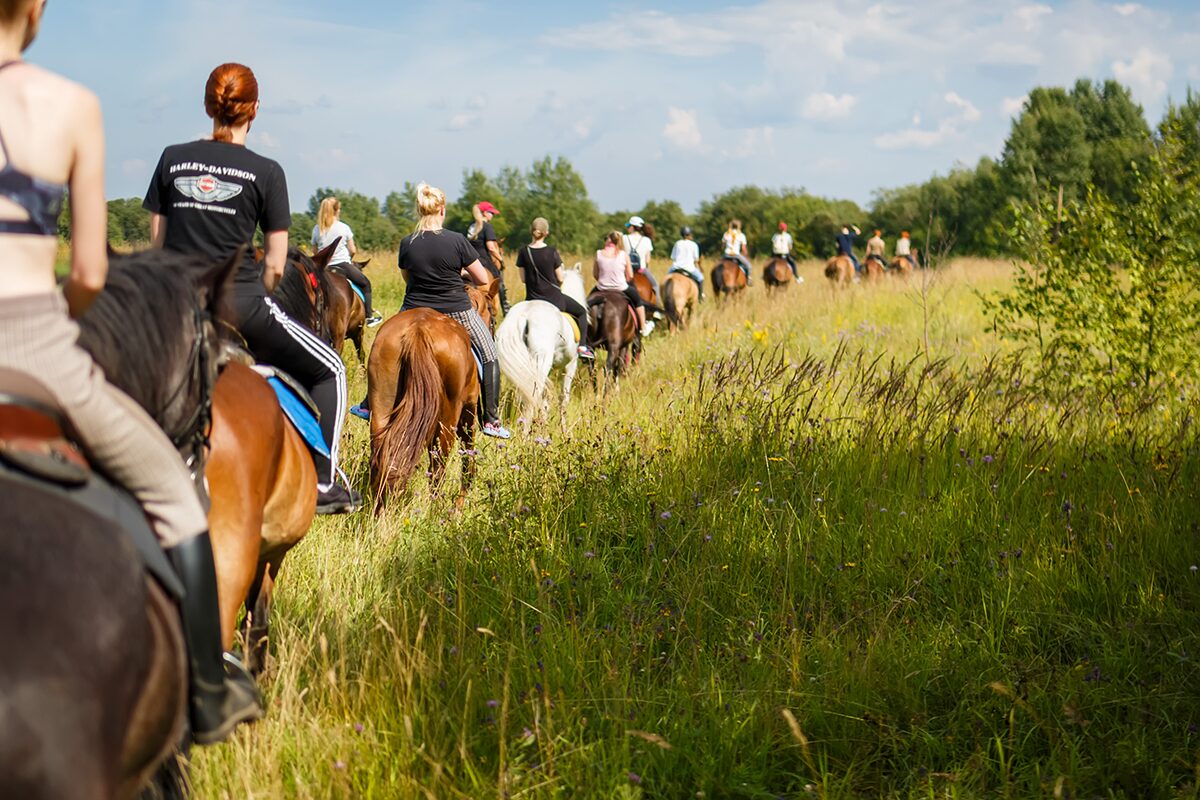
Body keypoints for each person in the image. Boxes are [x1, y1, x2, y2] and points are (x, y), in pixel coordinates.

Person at [0, 4, 259, 744]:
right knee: (174, 497)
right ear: (35, 8)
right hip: (36, 343)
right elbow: (88, 270)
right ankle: (207, 694)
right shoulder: (72, 105)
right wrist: (62, 315)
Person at [144, 63, 360, 517]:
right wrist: (259, 297)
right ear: (254, 111)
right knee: (333, 370)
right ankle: (323, 481)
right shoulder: (266, 171)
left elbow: (158, 246)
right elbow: (277, 264)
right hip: (241, 306)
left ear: (209, 106)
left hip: (177, 308)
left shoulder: (169, 158)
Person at [400, 183, 511, 438]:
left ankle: (368, 403)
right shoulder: (457, 240)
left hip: (413, 306)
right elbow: (483, 280)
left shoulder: (407, 243)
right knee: (490, 354)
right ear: (442, 210)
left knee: (385, 344)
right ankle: (491, 419)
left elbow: (409, 279)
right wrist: (457, 270)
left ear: (419, 210)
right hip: (456, 309)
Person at [515, 217, 594, 360]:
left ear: (531, 232)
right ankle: (582, 347)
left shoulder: (523, 252)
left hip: (531, 300)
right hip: (554, 299)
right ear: (546, 233)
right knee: (582, 312)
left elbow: (523, 279)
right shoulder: (551, 252)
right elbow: (561, 278)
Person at [312, 196, 382, 327]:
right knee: (365, 284)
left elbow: (315, 252)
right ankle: (369, 316)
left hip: (324, 268)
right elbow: (353, 249)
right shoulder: (343, 228)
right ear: (337, 210)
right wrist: (349, 258)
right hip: (343, 265)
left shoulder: (317, 229)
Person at [590, 230, 647, 334]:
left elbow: (595, 274)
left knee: (586, 304)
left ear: (609, 240)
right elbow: (630, 276)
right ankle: (643, 327)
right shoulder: (623, 255)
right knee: (638, 302)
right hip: (621, 287)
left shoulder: (598, 253)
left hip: (601, 288)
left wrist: (604, 280)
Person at [466, 200, 509, 313]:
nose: (492, 215)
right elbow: (491, 247)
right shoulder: (487, 227)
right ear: (484, 213)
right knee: (498, 277)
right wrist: (500, 259)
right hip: (483, 260)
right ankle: (506, 306)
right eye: (491, 213)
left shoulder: (472, 226)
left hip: (470, 261)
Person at [622, 214, 658, 300]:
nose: (628, 228)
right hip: (641, 269)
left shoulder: (624, 238)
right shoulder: (646, 240)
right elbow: (648, 260)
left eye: (629, 226)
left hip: (625, 270)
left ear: (632, 227)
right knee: (655, 286)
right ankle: (657, 310)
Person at [668, 225, 704, 299]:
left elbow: (673, 257)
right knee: (700, 278)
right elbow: (696, 260)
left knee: (666, 279)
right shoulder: (694, 244)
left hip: (676, 267)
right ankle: (700, 296)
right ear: (689, 234)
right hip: (689, 268)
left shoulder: (677, 243)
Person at [721, 219, 753, 284]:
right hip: (736, 255)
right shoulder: (741, 235)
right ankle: (748, 279)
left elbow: (722, 246)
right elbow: (744, 248)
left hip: (726, 254)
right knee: (748, 266)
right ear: (739, 226)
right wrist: (746, 254)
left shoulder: (726, 234)